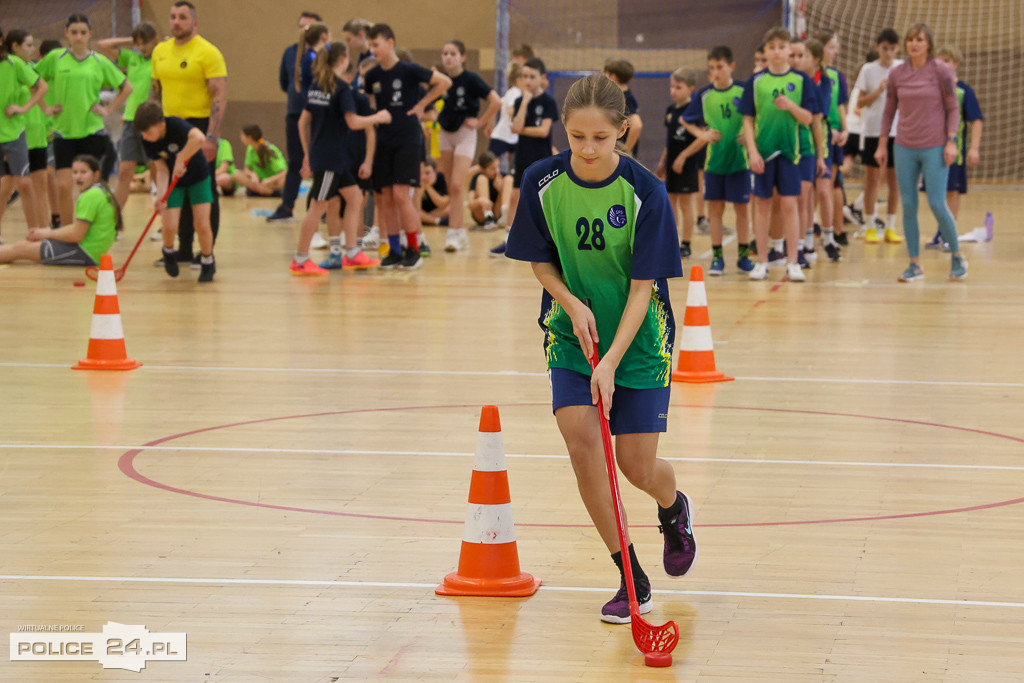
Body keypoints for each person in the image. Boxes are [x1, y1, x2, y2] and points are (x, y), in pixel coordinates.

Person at [505, 74, 694, 624]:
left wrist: (611, 361)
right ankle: (629, 574)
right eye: (577, 136)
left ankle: (672, 507)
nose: (587, 150)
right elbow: (541, 262)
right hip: (570, 333)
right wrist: (569, 302)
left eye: (600, 138)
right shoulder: (540, 180)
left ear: (624, 132)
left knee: (638, 467)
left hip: (638, 340)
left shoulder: (645, 192)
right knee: (582, 442)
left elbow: (644, 288)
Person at [876, 23, 965, 282]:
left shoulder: (941, 71)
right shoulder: (897, 74)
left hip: (935, 146)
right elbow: (889, 110)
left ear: (928, 44)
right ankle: (914, 264)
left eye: (919, 39)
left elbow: (953, 108)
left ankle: (957, 255)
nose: (914, 44)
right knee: (908, 204)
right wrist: (883, 144)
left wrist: (951, 140)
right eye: (911, 39)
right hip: (904, 146)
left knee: (937, 203)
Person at [292, 41, 389, 275]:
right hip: (330, 158)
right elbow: (353, 122)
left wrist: (307, 153)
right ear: (344, 61)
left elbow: (302, 122)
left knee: (355, 198)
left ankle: (353, 253)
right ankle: (301, 258)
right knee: (318, 206)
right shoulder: (341, 88)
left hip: (330, 156)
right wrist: (379, 117)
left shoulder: (318, 85)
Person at [363, 24, 451, 270]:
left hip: (408, 140)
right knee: (387, 198)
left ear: (390, 43)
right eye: (370, 46)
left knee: (402, 196)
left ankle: (414, 248)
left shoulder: (409, 70)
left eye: (376, 45)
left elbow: (443, 82)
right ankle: (394, 250)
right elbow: (370, 104)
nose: (373, 50)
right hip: (384, 142)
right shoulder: (372, 77)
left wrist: (423, 104)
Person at [35, 13, 131, 228]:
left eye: (83, 32)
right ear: (66, 33)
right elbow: (32, 81)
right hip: (63, 132)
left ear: (90, 34)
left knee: (91, 188)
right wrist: (45, 107)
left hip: (92, 132)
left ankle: (92, 229)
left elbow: (127, 88)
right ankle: (66, 233)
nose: (78, 37)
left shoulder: (99, 61)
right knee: (63, 187)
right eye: (74, 32)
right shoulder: (55, 58)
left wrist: (108, 110)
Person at [740, 26, 821, 282]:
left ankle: (793, 261)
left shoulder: (801, 81)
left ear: (789, 50)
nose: (777, 52)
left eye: (781, 47)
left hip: (790, 154)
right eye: (772, 47)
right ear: (766, 51)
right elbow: (747, 120)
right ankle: (762, 261)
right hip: (763, 154)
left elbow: (808, 119)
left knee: (790, 205)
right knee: (762, 206)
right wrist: (752, 152)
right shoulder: (756, 81)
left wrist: (791, 106)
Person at [150, 0, 226, 266]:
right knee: (176, 186)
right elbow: (155, 91)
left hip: (199, 127)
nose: (176, 22)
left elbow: (219, 96)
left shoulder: (208, 52)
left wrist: (212, 137)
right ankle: (182, 249)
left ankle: (206, 252)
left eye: (182, 17)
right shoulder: (160, 51)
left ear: (194, 22)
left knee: (203, 189)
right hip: (169, 127)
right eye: (172, 17)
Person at [682, 46, 754, 275]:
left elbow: (757, 117)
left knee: (742, 209)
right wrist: (701, 134)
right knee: (715, 210)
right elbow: (686, 120)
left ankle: (744, 256)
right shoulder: (704, 95)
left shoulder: (744, 91)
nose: (716, 72)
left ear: (731, 66)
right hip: (714, 164)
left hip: (740, 162)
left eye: (720, 67)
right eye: (712, 68)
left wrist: (753, 134)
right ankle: (717, 258)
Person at [134, 101, 216, 282]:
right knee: (169, 225)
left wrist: (181, 157)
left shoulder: (176, 125)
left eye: (148, 132)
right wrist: (161, 195)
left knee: (201, 225)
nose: (145, 137)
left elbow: (199, 138)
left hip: (198, 178)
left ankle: (208, 260)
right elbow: (161, 169)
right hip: (174, 181)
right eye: (142, 134)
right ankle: (168, 251)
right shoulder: (148, 142)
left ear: (161, 125)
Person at [437, 39, 501, 252]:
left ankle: (455, 232)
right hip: (445, 133)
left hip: (465, 133)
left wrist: (481, 122)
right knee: (450, 186)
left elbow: (496, 101)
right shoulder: (440, 80)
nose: (448, 57)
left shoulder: (471, 80)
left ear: (462, 57)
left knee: (457, 184)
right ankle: (459, 234)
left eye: (453, 53)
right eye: (445, 53)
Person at [490, 58, 557, 257]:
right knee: (514, 197)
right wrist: (526, 102)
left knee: (545, 199)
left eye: (532, 76)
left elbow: (544, 131)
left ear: (542, 78)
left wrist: (522, 129)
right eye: (524, 76)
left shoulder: (548, 102)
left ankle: (550, 241)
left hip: (542, 158)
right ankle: (510, 240)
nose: (527, 80)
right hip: (522, 157)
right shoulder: (520, 101)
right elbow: (515, 126)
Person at [0, 155, 116, 266]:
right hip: (88, 249)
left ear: (96, 175)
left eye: (83, 172)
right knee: (24, 246)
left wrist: (45, 233)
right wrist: (46, 234)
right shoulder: (99, 191)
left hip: (85, 252)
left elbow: (76, 235)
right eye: (75, 173)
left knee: (21, 248)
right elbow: (77, 229)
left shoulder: (91, 196)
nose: (78, 177)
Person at [267, 13, 325, 223]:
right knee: (295, 161)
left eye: (309, 27)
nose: (305, 30)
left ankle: (322, 206)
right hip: (295, 111)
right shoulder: (291, 53)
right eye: (302, 26)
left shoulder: (325, 53)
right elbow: (284, 82)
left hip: (320, 113)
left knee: (321, 160)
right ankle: (287, 206)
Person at [97, 21, 159, 209]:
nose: (141, 47)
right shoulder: (132, 57)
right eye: (138, 43)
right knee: (124, 172)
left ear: (153, 41)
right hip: (131, 121)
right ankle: (114, 223)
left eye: (145, 43)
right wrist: (131, 40)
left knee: (157, 172)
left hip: (152, 121)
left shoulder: (161, 58)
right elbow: (103, 45)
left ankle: (167, 222)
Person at [926, 45, 982, 248]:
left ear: (956, 64)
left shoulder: (964, 91)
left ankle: (949, 234)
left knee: (952, 192)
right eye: (939, 62)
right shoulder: (931, 89)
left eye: (946, 61)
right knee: (935, 193)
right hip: (932, 150)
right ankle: (940, 233)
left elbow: (976, 120)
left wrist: (974, 148)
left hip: (955, 152)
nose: (942, 66)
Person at [853, 28, 903, 244]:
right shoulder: (868, 69)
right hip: (874, 131)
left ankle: (891, 226)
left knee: (895, 180)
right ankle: (870, 225)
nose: (888, 53)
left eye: (892, 49)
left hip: (898, 131)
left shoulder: (902, 68)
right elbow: (860, 102)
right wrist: (879, 91)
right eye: (884, 48)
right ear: (877, 48)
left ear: (898, 49)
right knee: (873, 179)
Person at [0, 27, 49, 239]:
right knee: (4, 185)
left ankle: (34, 235)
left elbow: (42, 87)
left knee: (25, 183)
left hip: (13, 134)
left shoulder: (14, 64)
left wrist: (23, 108)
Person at [788, 39, 829, 267]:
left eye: (799, 55)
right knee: (781, 201)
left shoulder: (808, 84)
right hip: (780, 148)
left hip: (804, 149)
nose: (795, 60)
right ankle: (779, 246)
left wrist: (820, 155)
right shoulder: (773, 81)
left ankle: (801, 246)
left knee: (802, 199)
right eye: (792, 55)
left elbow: (816, 123)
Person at [656, 67, 703, 259]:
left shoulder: (694, 110)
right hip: (671, 165)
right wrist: (662, 161)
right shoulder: (670, 110)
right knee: (670, 203)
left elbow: (702, 138)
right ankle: (672, 242)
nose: (673, 91)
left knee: (685, 203)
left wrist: (683, 156)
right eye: (672, 87)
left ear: (690, 89)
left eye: (679, 87)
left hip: (687, 164)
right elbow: (669, 140)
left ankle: (687, 243)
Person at [485, 62, 522, 175]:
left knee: (516, 164)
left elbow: (495, 107)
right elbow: (511, 110)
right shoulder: (516, 92)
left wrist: (490, 125)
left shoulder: (509, 93)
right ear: (518, 79)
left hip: (509, 136)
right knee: (488, 164)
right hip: (503, 135)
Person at [603, 57, 643, 156]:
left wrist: (625, 152)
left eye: (605, 74)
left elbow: (637, 126)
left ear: (613, 77)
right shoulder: (617, 95)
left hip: (620, 155)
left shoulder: (626, 98)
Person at [232, 125, 287, 196]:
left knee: (284, 180)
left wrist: (270, 180)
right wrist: (253, 175)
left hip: (271, 182)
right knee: (236, 174)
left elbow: (284, 172)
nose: (241, 138)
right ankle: (264, 191)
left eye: (242, 135)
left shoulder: (270, 150)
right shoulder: (250, 149)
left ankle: (265, 191)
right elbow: (246, 169)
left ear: (249, 138)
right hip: (258, 183)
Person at [467, 150, 512, 228]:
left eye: (498, 167)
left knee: (509, 179)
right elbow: (470, 205)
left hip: (497, 213)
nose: (496, 171)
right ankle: (488, 216)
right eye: (492, 169)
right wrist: (480, 200)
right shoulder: (477, 177)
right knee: (482, 179)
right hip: (481, 214)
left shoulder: (500, 176)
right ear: (482, 169)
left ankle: (505, 214)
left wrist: (500, 191)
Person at [417, 158, 449, 226]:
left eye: (427, 173)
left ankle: (426, 219)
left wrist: (428, 188)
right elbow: (415, 205)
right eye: (420, 174)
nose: (423, 177)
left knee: (451, 207)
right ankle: (436, 221)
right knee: (413, 211)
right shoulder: (415, 181)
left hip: (436, 211)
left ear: (435, 172)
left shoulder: (440, 178)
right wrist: (422, 189)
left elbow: (443, 203)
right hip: (421, 211)